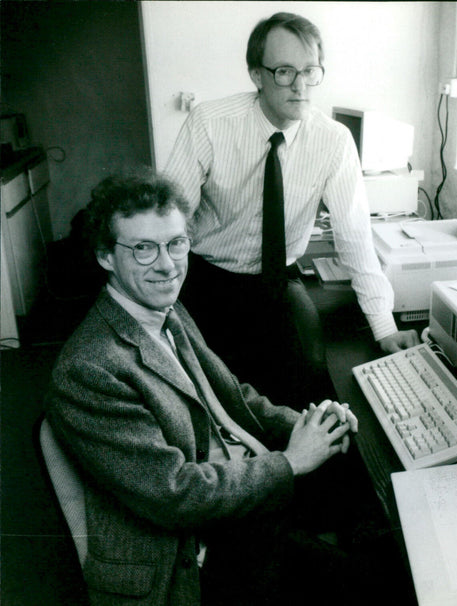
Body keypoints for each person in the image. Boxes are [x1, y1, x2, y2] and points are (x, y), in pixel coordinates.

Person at [44, 169, 388, 606]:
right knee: (375, 581)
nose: (167, 264)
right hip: (195, 555)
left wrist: (307, 425)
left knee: (368, 484)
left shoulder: (166, 309)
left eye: (176, 243)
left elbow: (232, 396)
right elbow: (176, 494)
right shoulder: (89, 369)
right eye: (144, 249)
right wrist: (292, 461)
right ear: (106, 256)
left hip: (239, 493)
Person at [164, 12, 419, 408]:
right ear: (257, 74)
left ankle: (298, 460)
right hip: (207, 276)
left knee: (311, 372)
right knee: (198, 382)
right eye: (284, 71)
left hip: (278, 280)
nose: (300, 86)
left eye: (310, 71)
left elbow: (355, 239)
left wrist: (385, 327)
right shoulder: (210, 124)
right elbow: (169, 224)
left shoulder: (333, 141)